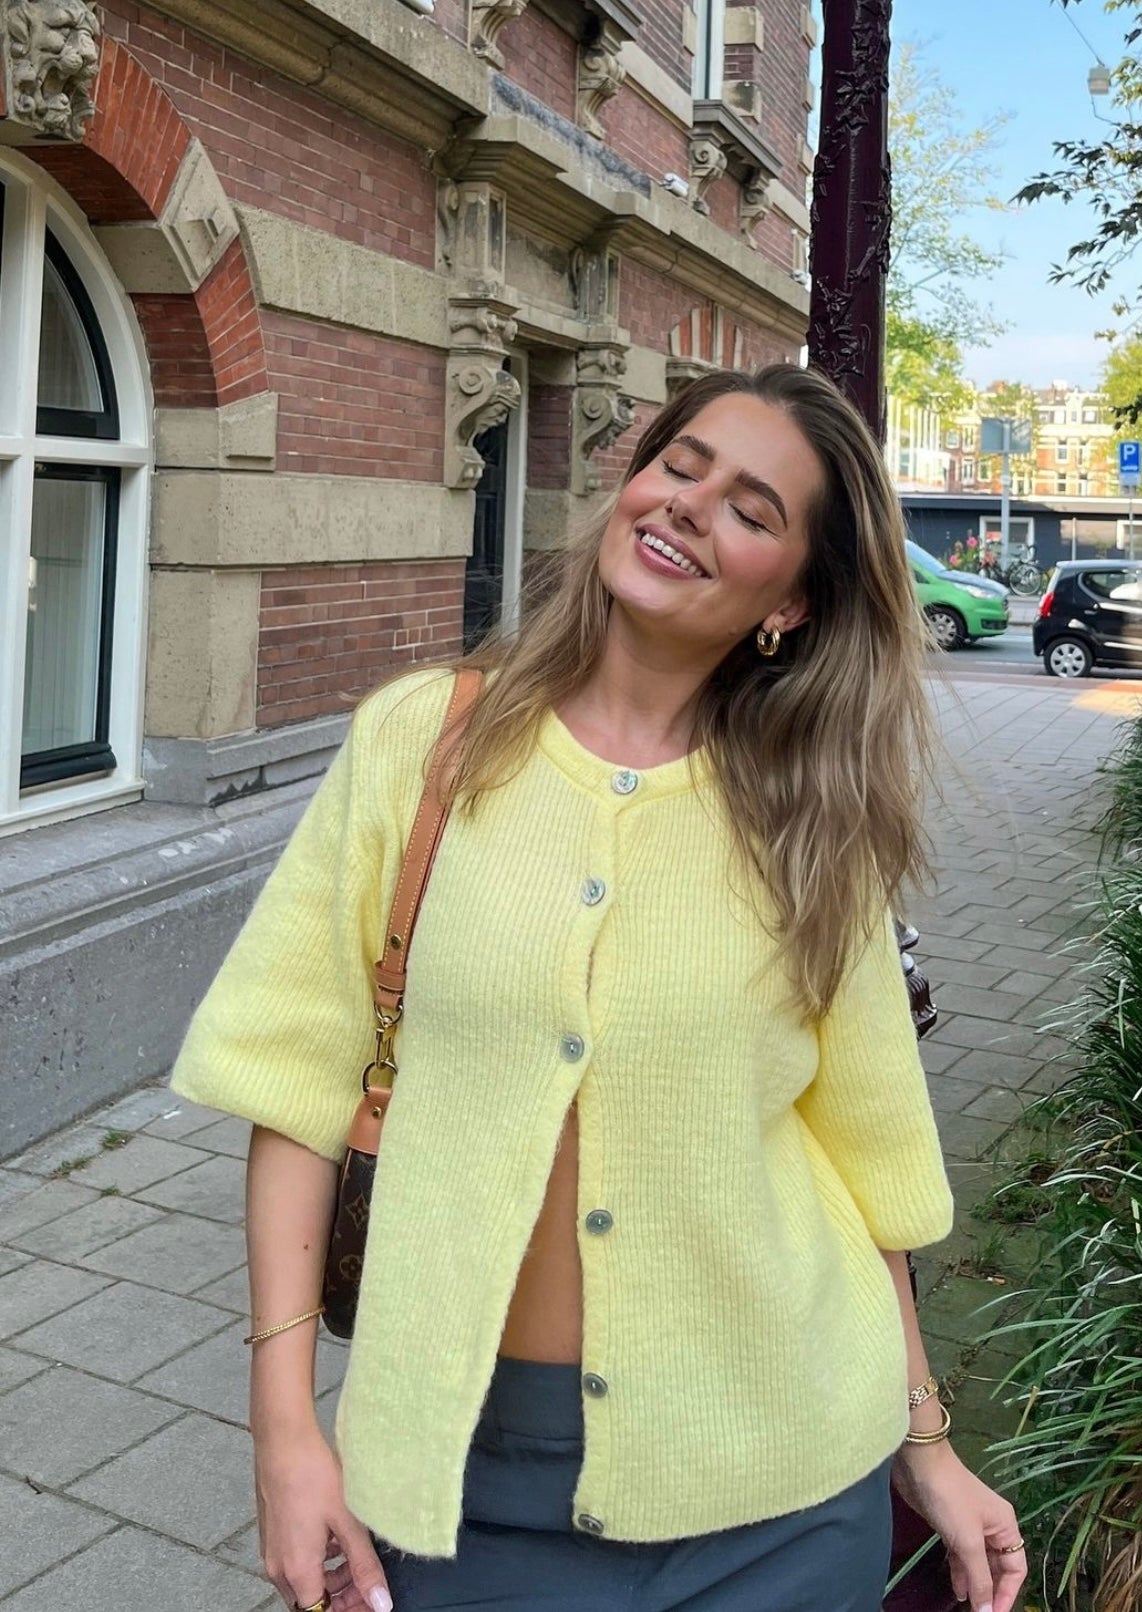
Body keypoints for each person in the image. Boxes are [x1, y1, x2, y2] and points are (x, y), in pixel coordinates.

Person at [171, 364, 1028, 1612]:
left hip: (787, 1486)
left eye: (751, 509)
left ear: (790, 602)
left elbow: (865, 1166)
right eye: (680, 466)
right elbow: (296, 1086)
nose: (689, 506)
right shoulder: (423, 742)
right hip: (472, 1482)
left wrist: (929, 1444)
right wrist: (285, 1433)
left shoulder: (813, 829)